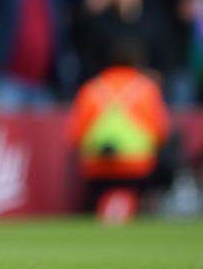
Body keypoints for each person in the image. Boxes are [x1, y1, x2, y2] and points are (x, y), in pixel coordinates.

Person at [66, 43, 171, 221]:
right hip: (138, 167)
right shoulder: (147, 88)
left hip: (97, 167)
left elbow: (74, 135)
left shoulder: (91, 88)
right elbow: (161, 132)